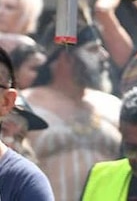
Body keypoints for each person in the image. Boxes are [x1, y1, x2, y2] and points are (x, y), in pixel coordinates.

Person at [25, 25, 122, 201]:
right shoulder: (25, 106)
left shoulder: (113, 106)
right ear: (66, 58)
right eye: (93, 49)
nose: (104, 56)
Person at [0, 45, 54, 200]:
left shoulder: (24, 182)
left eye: (20, 136)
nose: (11, 141)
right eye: (5, 130)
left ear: (6, 102)